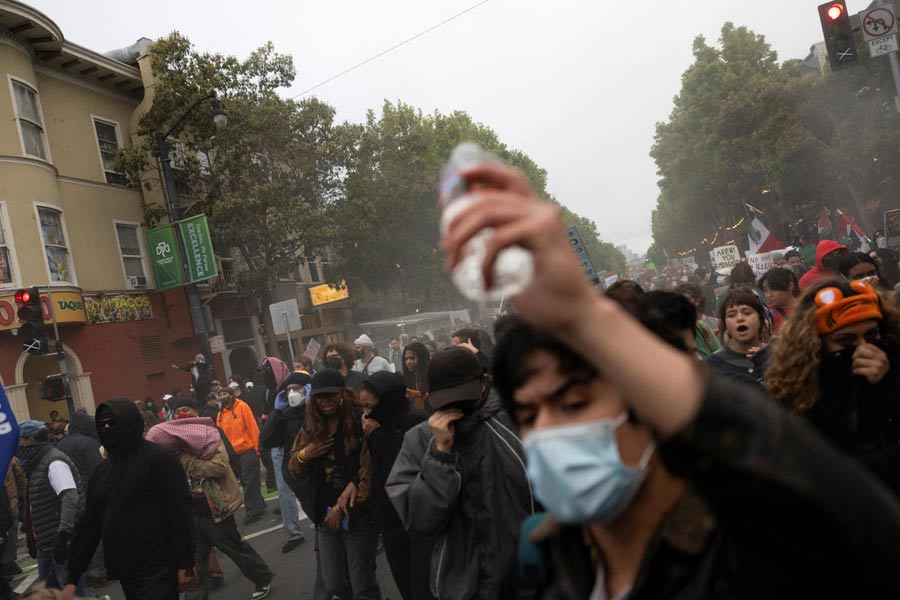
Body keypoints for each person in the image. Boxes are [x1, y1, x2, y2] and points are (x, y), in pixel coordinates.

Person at [438, 159, 900, 597]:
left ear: (646, 407)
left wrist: (591, 317)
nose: (549, 432)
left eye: (574, 404)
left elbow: (863, 530)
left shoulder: (742, 550)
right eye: (528, 414)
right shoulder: (537, 571)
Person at [385, 347, 533, 600]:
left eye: (465, 398)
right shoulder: (419, 440)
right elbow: (418, 521)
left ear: (484, 382)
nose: (457, 408)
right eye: (446, 401)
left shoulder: (516, 424)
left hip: (525, 579)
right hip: (459, 588)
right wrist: (440, 457)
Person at [765, 278, 900, 494]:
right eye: (846, 341)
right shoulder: (799, 392)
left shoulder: (893, 362)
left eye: (871, 335)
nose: (864, 348)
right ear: (817, 342)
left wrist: (889, 384)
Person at [65, 400, 195, 599]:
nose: (107, 428)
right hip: (126, 572)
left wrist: (185, 562)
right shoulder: (102, 473)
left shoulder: (159, 460)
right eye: (102, 424)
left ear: (129, 422)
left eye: (112, 422)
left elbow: (180, 512)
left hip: (159, 566)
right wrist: (72, 578)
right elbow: (89, 526)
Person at [146, 407, 275, 600]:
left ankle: (262, 577)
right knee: (194, 562)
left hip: (214, 508)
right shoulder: (172, 451)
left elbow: (218, 467)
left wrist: (186, 460)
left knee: (234, 548)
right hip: (190, 512)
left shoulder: (210, 439)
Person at [288, 369, 380, 600]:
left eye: (331, 395)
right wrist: (306, 455)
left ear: (343, 394)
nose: (325, 401)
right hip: (325, 515)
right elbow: (294, 469)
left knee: (363, 586)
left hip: (358, 512)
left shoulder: (360, 420)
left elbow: (369, 470)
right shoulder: (311, 427)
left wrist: (342, 508)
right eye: (320, 396)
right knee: (334, 584)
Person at [357, 372, 429, 600]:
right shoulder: (373, 422)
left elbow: (406, 460)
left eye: (370, 406)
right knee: (405, 585)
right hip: (388, 519)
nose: (366, 413)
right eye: (363, 407)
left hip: (413, 519)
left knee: (422, 587)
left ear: (388, 401)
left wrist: (377, 435)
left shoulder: (414, 419)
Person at [16, 420, 87, 595]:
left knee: (72, 593)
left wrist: (63, 535)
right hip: (47, 545)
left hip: (61, 543)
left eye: (21, 441)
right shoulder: (38, 463)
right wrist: (33, 538)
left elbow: (70, 498)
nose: (18, 446)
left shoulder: (53, 463)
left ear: (31, 440)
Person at [260, 383, 307, 553]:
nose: (292, 393)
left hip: (303, 450)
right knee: (284, 491)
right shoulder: (277, 400)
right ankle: (294, 533)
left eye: (297, 388)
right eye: (288, 390)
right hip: (281, 450)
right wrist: (277, 412)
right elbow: (267, 437)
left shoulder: (310, 408)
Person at [216, 386, 266, 525]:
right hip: (232, 453)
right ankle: (260, 504)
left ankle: (252, 511)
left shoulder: (242, 406)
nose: (222, 396)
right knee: (245, 482)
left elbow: (252, 427)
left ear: (231, 395)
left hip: (247, 449)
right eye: (220, 394)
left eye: (225, 393)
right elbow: (219, 434)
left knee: (249, 480)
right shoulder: (220, 414)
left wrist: (257, 448)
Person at [703, 287, 771, 390]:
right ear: (725, 323)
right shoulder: (711, 366)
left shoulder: (780, 358)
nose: (740, 318)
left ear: (760, 318)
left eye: (747, 312)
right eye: (731, 315)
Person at [55, 411, 102, 483]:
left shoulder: (59, 445)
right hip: (88, 487)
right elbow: (98, 470)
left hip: (70, 488)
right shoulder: (90, 443)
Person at [2, 457, 26, 578]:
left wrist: (21, 496)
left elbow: (21, 478)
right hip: (10, 502)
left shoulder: (9, 458)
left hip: (11, 502)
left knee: (11, 531)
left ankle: (8, 562)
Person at [759, 267, 800, 334]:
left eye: (774, 289)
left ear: (791, 286)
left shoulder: (807, 307)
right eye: (765, 290)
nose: (769, 295)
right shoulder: (767, 314)